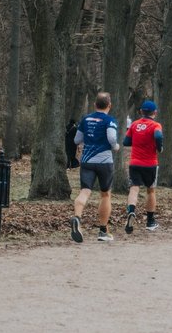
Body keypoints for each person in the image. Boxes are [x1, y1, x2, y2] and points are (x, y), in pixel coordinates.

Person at [70, 92, 120, 243]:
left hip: (87, 161)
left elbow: (76, 139)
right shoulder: (110, 120)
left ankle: (77, 217)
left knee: (85, 191)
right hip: (104, 162)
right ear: (109, 105)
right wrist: (115, 146)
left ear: (94, 105)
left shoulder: (85, 119)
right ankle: (103, 231)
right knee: (105, 195)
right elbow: (111, 137)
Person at [122, 100, 164, 233]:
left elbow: (126, 142)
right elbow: (158, 135)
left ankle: (131, 211)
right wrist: (159, 147)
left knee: (134, 189)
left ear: (141, 112)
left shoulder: (134, 124)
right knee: (150, 190)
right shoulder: (156, 125)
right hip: (150, 163)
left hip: (135, 163)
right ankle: (150, 222)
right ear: (155, 113)